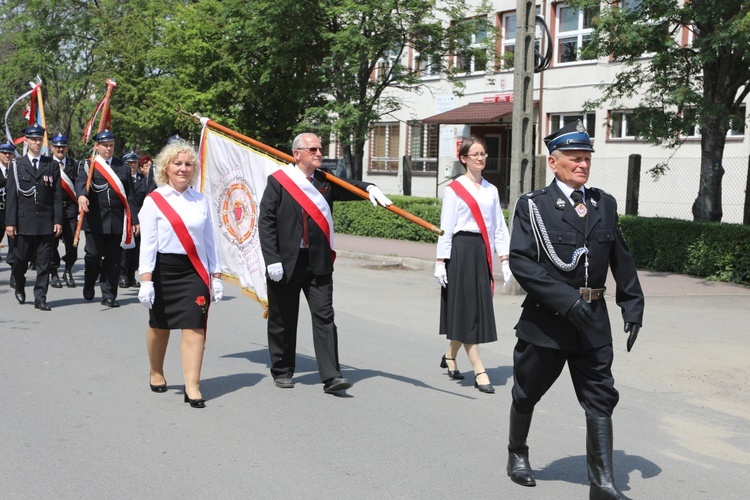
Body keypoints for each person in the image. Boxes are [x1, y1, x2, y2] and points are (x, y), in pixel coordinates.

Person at [505, 120, 645, 499]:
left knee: (601, 396)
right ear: (554, 163)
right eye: (574, 159)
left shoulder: (604, 203)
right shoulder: (533, 207)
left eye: (586, 158)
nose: (582, 165)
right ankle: (517, 452)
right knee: (527, 391)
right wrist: (566, 302)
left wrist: (632, 304)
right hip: (547, 322)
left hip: (593, 320)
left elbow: (620, 257)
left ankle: (602, 484)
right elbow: (522, 262)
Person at [258, 132, 392, 393]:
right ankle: (282, 370)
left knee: (325, 317)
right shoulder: (279, 182)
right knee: (283, 317)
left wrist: (369, 188)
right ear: (297, 154)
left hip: (317, 261)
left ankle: (332, 376)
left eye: (320, 149)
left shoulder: (324, 182)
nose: (319, 153)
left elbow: (350, 187)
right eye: (312, 149)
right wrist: (272, 260)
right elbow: (266, 222)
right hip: (285, 262)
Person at [137, 141, 222, 408]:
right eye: (177, 163)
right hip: (164, 270)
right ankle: (156, 371)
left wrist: (216, 276)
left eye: (187, 164)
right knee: (159, 326)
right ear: (166, 168)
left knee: (194, 325)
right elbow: (148, 243)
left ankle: (192, 386)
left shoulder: (201, 201)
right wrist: (146, 280)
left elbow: (211, 242)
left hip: (194, 271)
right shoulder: (155, 200)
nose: (183, 169)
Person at [434, 137, 511, 394]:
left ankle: (450, 355)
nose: (481, 158)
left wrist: (505, 258)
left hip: (481, 252)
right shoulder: (454, 189)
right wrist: (440, 261)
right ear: (464, 159)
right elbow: (446, 229)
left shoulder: (491, 189)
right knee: (468, 311)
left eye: (483, 154)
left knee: (473, 310)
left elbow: (498, 226)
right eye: (475, 154)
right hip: (460, 252)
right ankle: (479, 370)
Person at [76, 130, 139, 307]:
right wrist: (81, 195)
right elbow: (80, 182)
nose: (109, 149)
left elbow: (130, 197)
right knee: (93, 256)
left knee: (113, 261)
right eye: (105, 145)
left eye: (111, 145)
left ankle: (109, 294)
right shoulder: (88, 166)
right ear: (97, 146)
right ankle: (89, 283)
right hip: (95, 220)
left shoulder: (123, 167)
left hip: (117, 221)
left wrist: (134, 220)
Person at [5, 125, 63, 311]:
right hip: (24, 222)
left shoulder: (51, 165)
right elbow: (12, 197)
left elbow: (57, 196)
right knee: (20, 260)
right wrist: (10, 223)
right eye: (33, 139)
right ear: (27, 141)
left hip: (46, 222)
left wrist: (57, 221)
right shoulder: (16, 165)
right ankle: (20, 284)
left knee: (44, 263)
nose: (37, 143)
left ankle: (40, 298)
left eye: (40, 139)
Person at [49, 133, 78, 288]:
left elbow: (79, 186)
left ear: (67, 148)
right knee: (52, 245)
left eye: (63, 146)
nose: (60, 149)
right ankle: (53, 272)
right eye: (57, 146)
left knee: (73, 243)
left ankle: (68, 270)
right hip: (53, 211)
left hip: (71, 210)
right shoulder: (47, 165)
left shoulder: (75, 165)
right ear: (52, 148)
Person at [119, 151, 145, 288]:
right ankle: (122, 275)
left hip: (140, 216)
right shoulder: (120, 178)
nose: (132, 165)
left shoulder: (143, 179)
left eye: (134, 162)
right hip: (125, 216)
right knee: (124, 248)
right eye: (129, 163)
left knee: (136, 249)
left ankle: (131, 276)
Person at [0, 141, 15, 267]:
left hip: (12, 212)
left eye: (9, 153)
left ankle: (14, 274)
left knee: (14, 243)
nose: (7, 155)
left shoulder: (17, 169)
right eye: (4, 153)